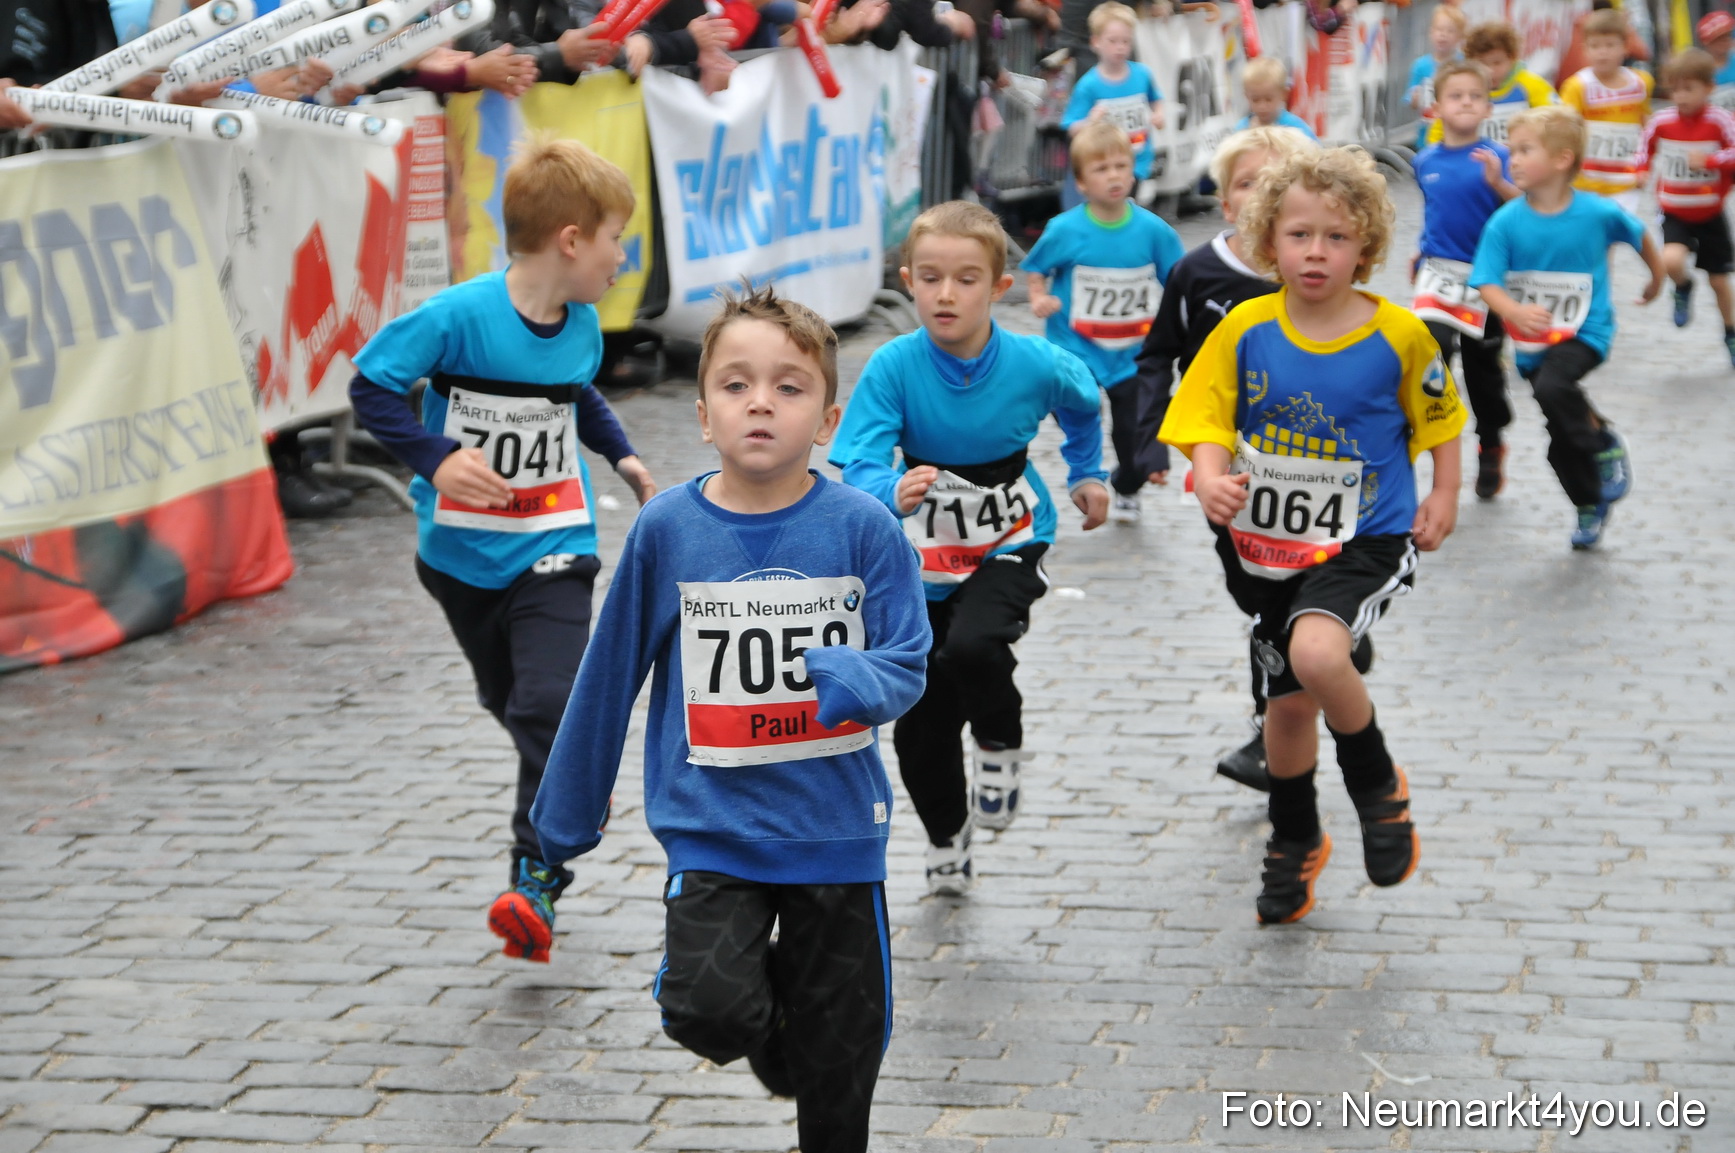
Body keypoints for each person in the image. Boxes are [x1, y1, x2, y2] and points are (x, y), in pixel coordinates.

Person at [530, 284, 928, 1153]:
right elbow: (609, 674)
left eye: (789, 387)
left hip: (834, 828)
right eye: (736, 384)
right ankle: (771, 1031)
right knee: (709, 1012)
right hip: (713, 825)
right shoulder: (668, 528)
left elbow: (906, 663)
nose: (761, 402)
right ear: (703, 413)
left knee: (843, 1055)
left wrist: (843, 671)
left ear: (826, 419)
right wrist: (561, 819)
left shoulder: (864, 529)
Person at [346, 138, 658, 959]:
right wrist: (437, 459)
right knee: (512, 699)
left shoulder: (584, 326)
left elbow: (573, 394)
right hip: (459, 553)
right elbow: (371, 385)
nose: (622, 259)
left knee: (546, 706)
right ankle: (559, 782)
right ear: (569, 240)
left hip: (555, 539)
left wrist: (620, 456)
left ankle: (537, 875)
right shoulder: (459, 316)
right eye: (614, 239)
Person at [1159, 146, 1467, 925]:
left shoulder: (1399, 335)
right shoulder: (1244, 328)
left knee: (1317, 653)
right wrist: (1208, 474)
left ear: (1364, 245)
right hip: (1263, 548)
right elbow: (1204, 415)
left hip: (1366, 535)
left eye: (1334, 237)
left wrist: (1446, 492)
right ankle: (1294, 839)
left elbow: (1440, 420)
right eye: (1299, 235)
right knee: (1286, 707)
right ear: (1269, 242)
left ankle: (1376, 784)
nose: (1315, 252)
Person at [830, 201, 1110, 896]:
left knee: (975, 647)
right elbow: (858, 455)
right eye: (929, 278)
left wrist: (1085, 472)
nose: (945, 294)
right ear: (907, 281)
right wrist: (890, 487)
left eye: (964, 279)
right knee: (921, 715)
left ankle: (997, 739)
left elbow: (1083, 400)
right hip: (919, 548)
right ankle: (945, 835)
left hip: (1008, 533)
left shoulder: (1033, 361)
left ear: (997, 288)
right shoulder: (894, 364)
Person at [1131, 125, 1325, 794]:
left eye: (1276, 182)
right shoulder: (1196, 273)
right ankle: (1321, 641)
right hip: (1224, 469)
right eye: (1247, 182)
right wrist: (1153, 435)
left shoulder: (1316, 273)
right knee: (1252, 589)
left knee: (1282, 597)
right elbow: (1158, 353)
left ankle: (1268, 726)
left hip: (1310, 468)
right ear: (1223, 197)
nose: (1260, 195)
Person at [1471, 106, 1664, 550]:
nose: (1512, 159)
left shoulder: (1597, 213)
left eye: (1524, 150)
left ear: (1561, 159)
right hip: (1532, 341)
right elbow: (1485, 281)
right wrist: (1514, 313)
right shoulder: (1506, 221)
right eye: (1511, 150)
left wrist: (1656, 278)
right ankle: (1588, 503)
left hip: (1586, 331)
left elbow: (1638, 234)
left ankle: (1603, 443)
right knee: (1558, 438)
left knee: (1554, 388)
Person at [1022, 120, 1184, 523]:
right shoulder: (1065, 229)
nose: (1114, 176)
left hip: (1131, 352)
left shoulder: (1153, 231)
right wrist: (1039, 297)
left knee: (1133, 432)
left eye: (1121, 166)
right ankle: (1085, 472)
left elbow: (1180, 281)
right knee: (1078, 413)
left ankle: (1128, 483)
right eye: (1101, 169)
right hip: (1076, 347)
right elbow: (1037, 267)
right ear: (1080, 181)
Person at [1413, 60, 1520, 501]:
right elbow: (1435, 213)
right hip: (1438, 274)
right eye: (1456, 96)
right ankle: (1438, 437)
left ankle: (1491, 442)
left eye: (1475, 96)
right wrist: (1420, 252)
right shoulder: (1425, 160)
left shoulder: (1498, 157)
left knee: (1483, 373)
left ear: (1488, 107)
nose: (1466, 103)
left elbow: (1521, 208)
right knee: (1429, 352)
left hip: (1485, 280)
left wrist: (1499, 183)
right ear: (1436, 107)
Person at [1636, 49, 1735, 365]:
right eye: (1674, 89)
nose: (1680, 96)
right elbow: (1645, 145)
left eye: (1688, 89)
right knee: (1671, 259)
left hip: (1709, 212)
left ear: (1708, 88)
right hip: (1675, 208)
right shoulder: (1662, 120)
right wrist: (1641, 168)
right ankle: (1683, 286)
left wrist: (1710, 160)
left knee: (1720, 282)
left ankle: (1730, 331)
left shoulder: (1719, 120)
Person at [1559, 7, 1652, 214]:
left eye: (1610, 45)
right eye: (1595, 46)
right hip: (1586, 182)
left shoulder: (1641, 82)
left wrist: (1645, 167)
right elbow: (1566, 130)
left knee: (1622, 234)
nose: (1603, 52)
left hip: (1625, 180)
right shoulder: (1576, 86)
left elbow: (1646, 127)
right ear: (1584, 49)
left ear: (1626, 46)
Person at [1064, 3, 1166, 187]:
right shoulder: (1088, 85)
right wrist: (1089, 122)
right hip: (1106, 164)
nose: (1120, 47)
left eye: (1126, 41)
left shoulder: (1142, 74)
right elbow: (1071, 127)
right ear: (1095, 42)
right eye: (1113, 41)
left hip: (1138, 159)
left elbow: (1156, 100)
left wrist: (1159, 114)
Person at [1427, 21, 1557, 147]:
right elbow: (1442, 126)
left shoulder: (1531, 85)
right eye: (1482, 63)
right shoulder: (1464, 89)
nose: (1490, 71)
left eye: (1497, 63)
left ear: (1512, 58)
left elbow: (1556, 119)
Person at [1407, 5, 1466, 150]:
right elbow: (1410, 98)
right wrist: (1415, 98)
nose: (1443, 35)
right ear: (1431, 32)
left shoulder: (1465, 63)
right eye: (1439, 30)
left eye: (1450, 31)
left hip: (1457, 135)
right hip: (1426, 137)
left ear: (1460, 37)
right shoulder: (1420, 66)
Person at [1235, 57, 1319, 140]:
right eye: (1255, 100)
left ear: (1283, 94)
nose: (1262, 106)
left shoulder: (1295, 128)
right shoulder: (1242, 129)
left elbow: (1314, 149)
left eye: (1269, 99)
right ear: (1246, 96)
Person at [1698, 10, 1735, 103]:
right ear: (1707, 42)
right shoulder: (1700, 69)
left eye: (1728, 36)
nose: (1726, 41)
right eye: (1719, 38)